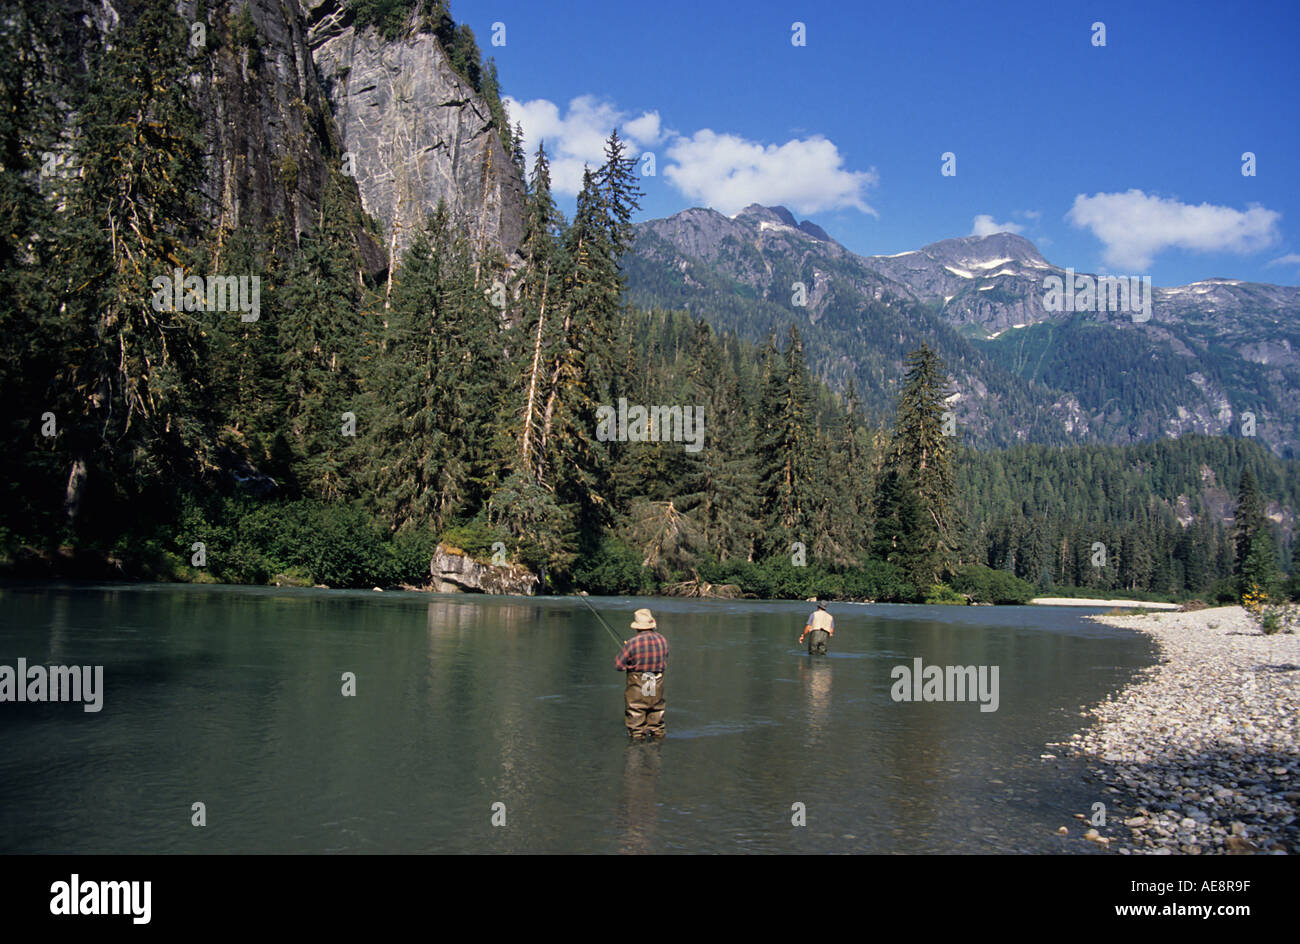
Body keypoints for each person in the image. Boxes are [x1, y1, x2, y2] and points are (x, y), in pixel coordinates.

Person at [614, 608, 669, 741]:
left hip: (638, 682)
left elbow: (619, 666)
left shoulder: (633, 643)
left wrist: (629, 654)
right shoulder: (662, 640)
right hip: (656, 681)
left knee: (636, 716)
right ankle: (657, 750)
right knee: (656, 715)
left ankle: (636, 752)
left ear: (637, 627)